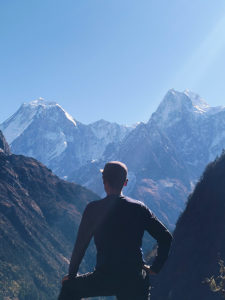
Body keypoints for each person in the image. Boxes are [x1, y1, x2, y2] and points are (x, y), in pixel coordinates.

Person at [58, 161, 172, 300]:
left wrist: (71, 276)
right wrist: (155, 267)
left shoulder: (93, 209)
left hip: (105, 276)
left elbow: (80, 246)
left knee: (69, 290)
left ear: (104, 181)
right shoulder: (139, 208)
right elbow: (165, 237)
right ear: (125, 182)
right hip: (134, 277)